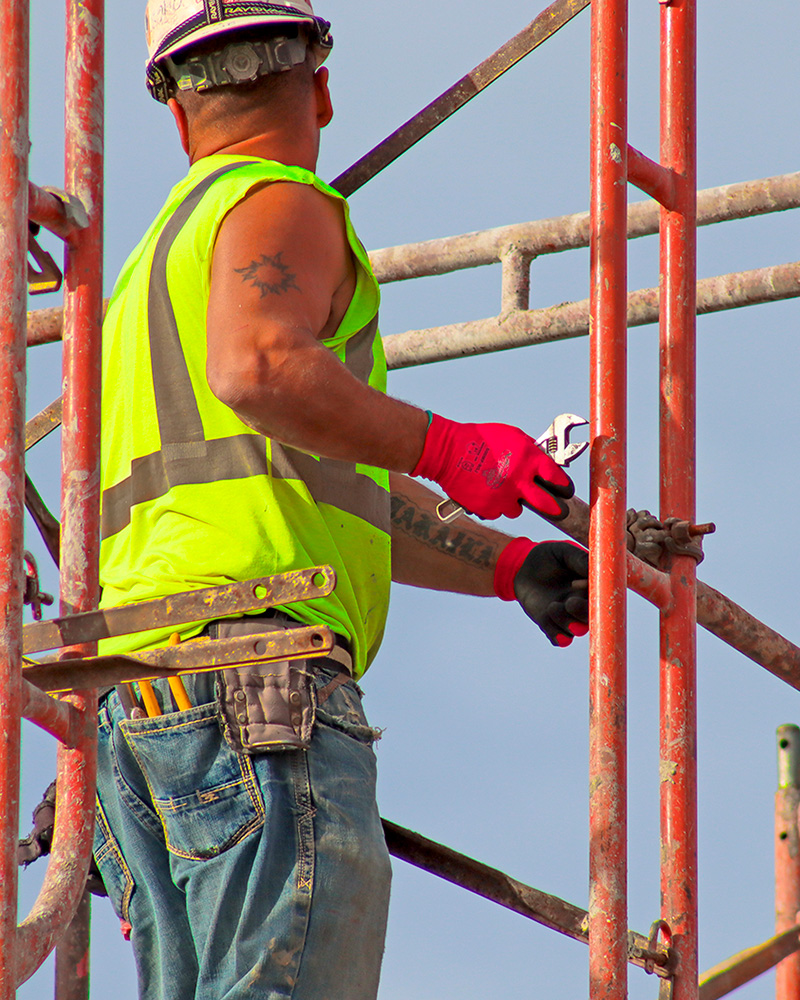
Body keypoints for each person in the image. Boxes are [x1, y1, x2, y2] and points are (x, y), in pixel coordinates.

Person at [93, 2, 590, 997]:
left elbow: (309, 475)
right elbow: (263, 368)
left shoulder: (149, 274)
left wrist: (498, 563)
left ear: (177, 110)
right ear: (320, 82)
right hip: (256, 687)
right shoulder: (278, 202)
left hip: (142, 701)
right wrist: (447, 446)